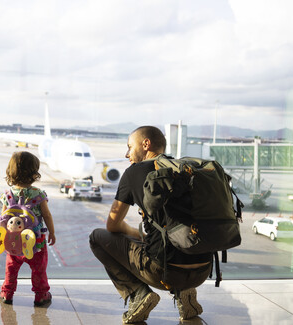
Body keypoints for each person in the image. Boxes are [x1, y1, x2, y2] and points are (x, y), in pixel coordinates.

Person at [89, 126, 212, 323]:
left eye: (130, 147)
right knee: (174, 241)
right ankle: (185, 292)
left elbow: (112, 226)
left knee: (97, 237)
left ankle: (138, 294)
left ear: (146, 144)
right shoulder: (185, 169)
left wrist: (136, 234)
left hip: (163, 272)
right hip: (203, 269)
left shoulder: (133, 173)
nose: (127, 153)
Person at [0, 151, 56, 307]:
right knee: (39, 269)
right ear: (34, 173)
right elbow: (47, 215)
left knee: (11, 268)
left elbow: (3, 218)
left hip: (14, 242)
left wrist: (1, 236)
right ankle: (41, 295)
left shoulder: (7, 195)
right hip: (35, 242)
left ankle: (7, 293)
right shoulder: (38, 194)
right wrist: (52, 232)